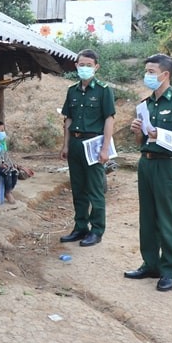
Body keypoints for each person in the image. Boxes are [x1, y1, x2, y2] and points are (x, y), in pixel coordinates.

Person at [125, 54, 172, 292]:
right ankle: (151, 264)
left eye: (152, 72)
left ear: (165, 75)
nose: (148, 76)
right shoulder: (146, 104)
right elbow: (141, 141)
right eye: (146, 71)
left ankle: (169, 270)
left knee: (167, 218)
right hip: (146, 163)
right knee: (148, 217)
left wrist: (160, 135)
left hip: (167, 166)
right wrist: (138, 130)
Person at [60, 49, 116, 247]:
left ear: (96, 67)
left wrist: (105, 149)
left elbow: (109, 119)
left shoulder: (103, 90)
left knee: (94, 190)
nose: (84, 68)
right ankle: (80, 227)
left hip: (93, 144)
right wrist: (65, 145)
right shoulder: (72, 90)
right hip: (75, 143)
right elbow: (68, 119)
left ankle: (97, 230)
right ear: (76, 66)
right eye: (81, 65)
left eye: (88, 65)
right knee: (78, 189)